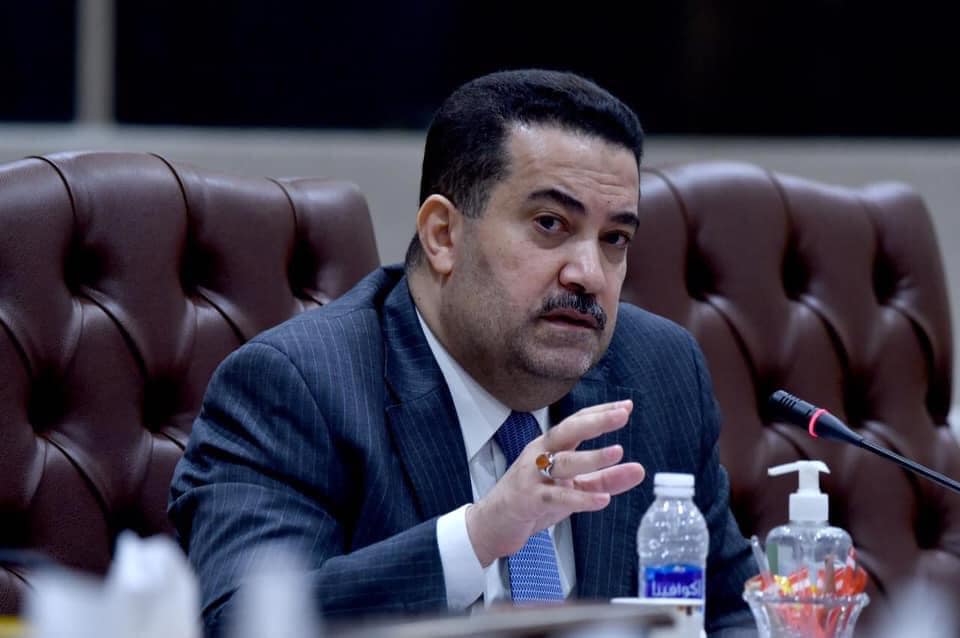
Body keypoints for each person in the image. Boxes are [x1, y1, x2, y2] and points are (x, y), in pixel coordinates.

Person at [169, 69, 758, 637]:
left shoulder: (658, 371)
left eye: (614, 239)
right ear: (443, 235)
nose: (589, 274)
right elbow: (242, 621)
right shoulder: (297, 387)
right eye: (550, 223)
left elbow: (736, 615)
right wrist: (477, 537)